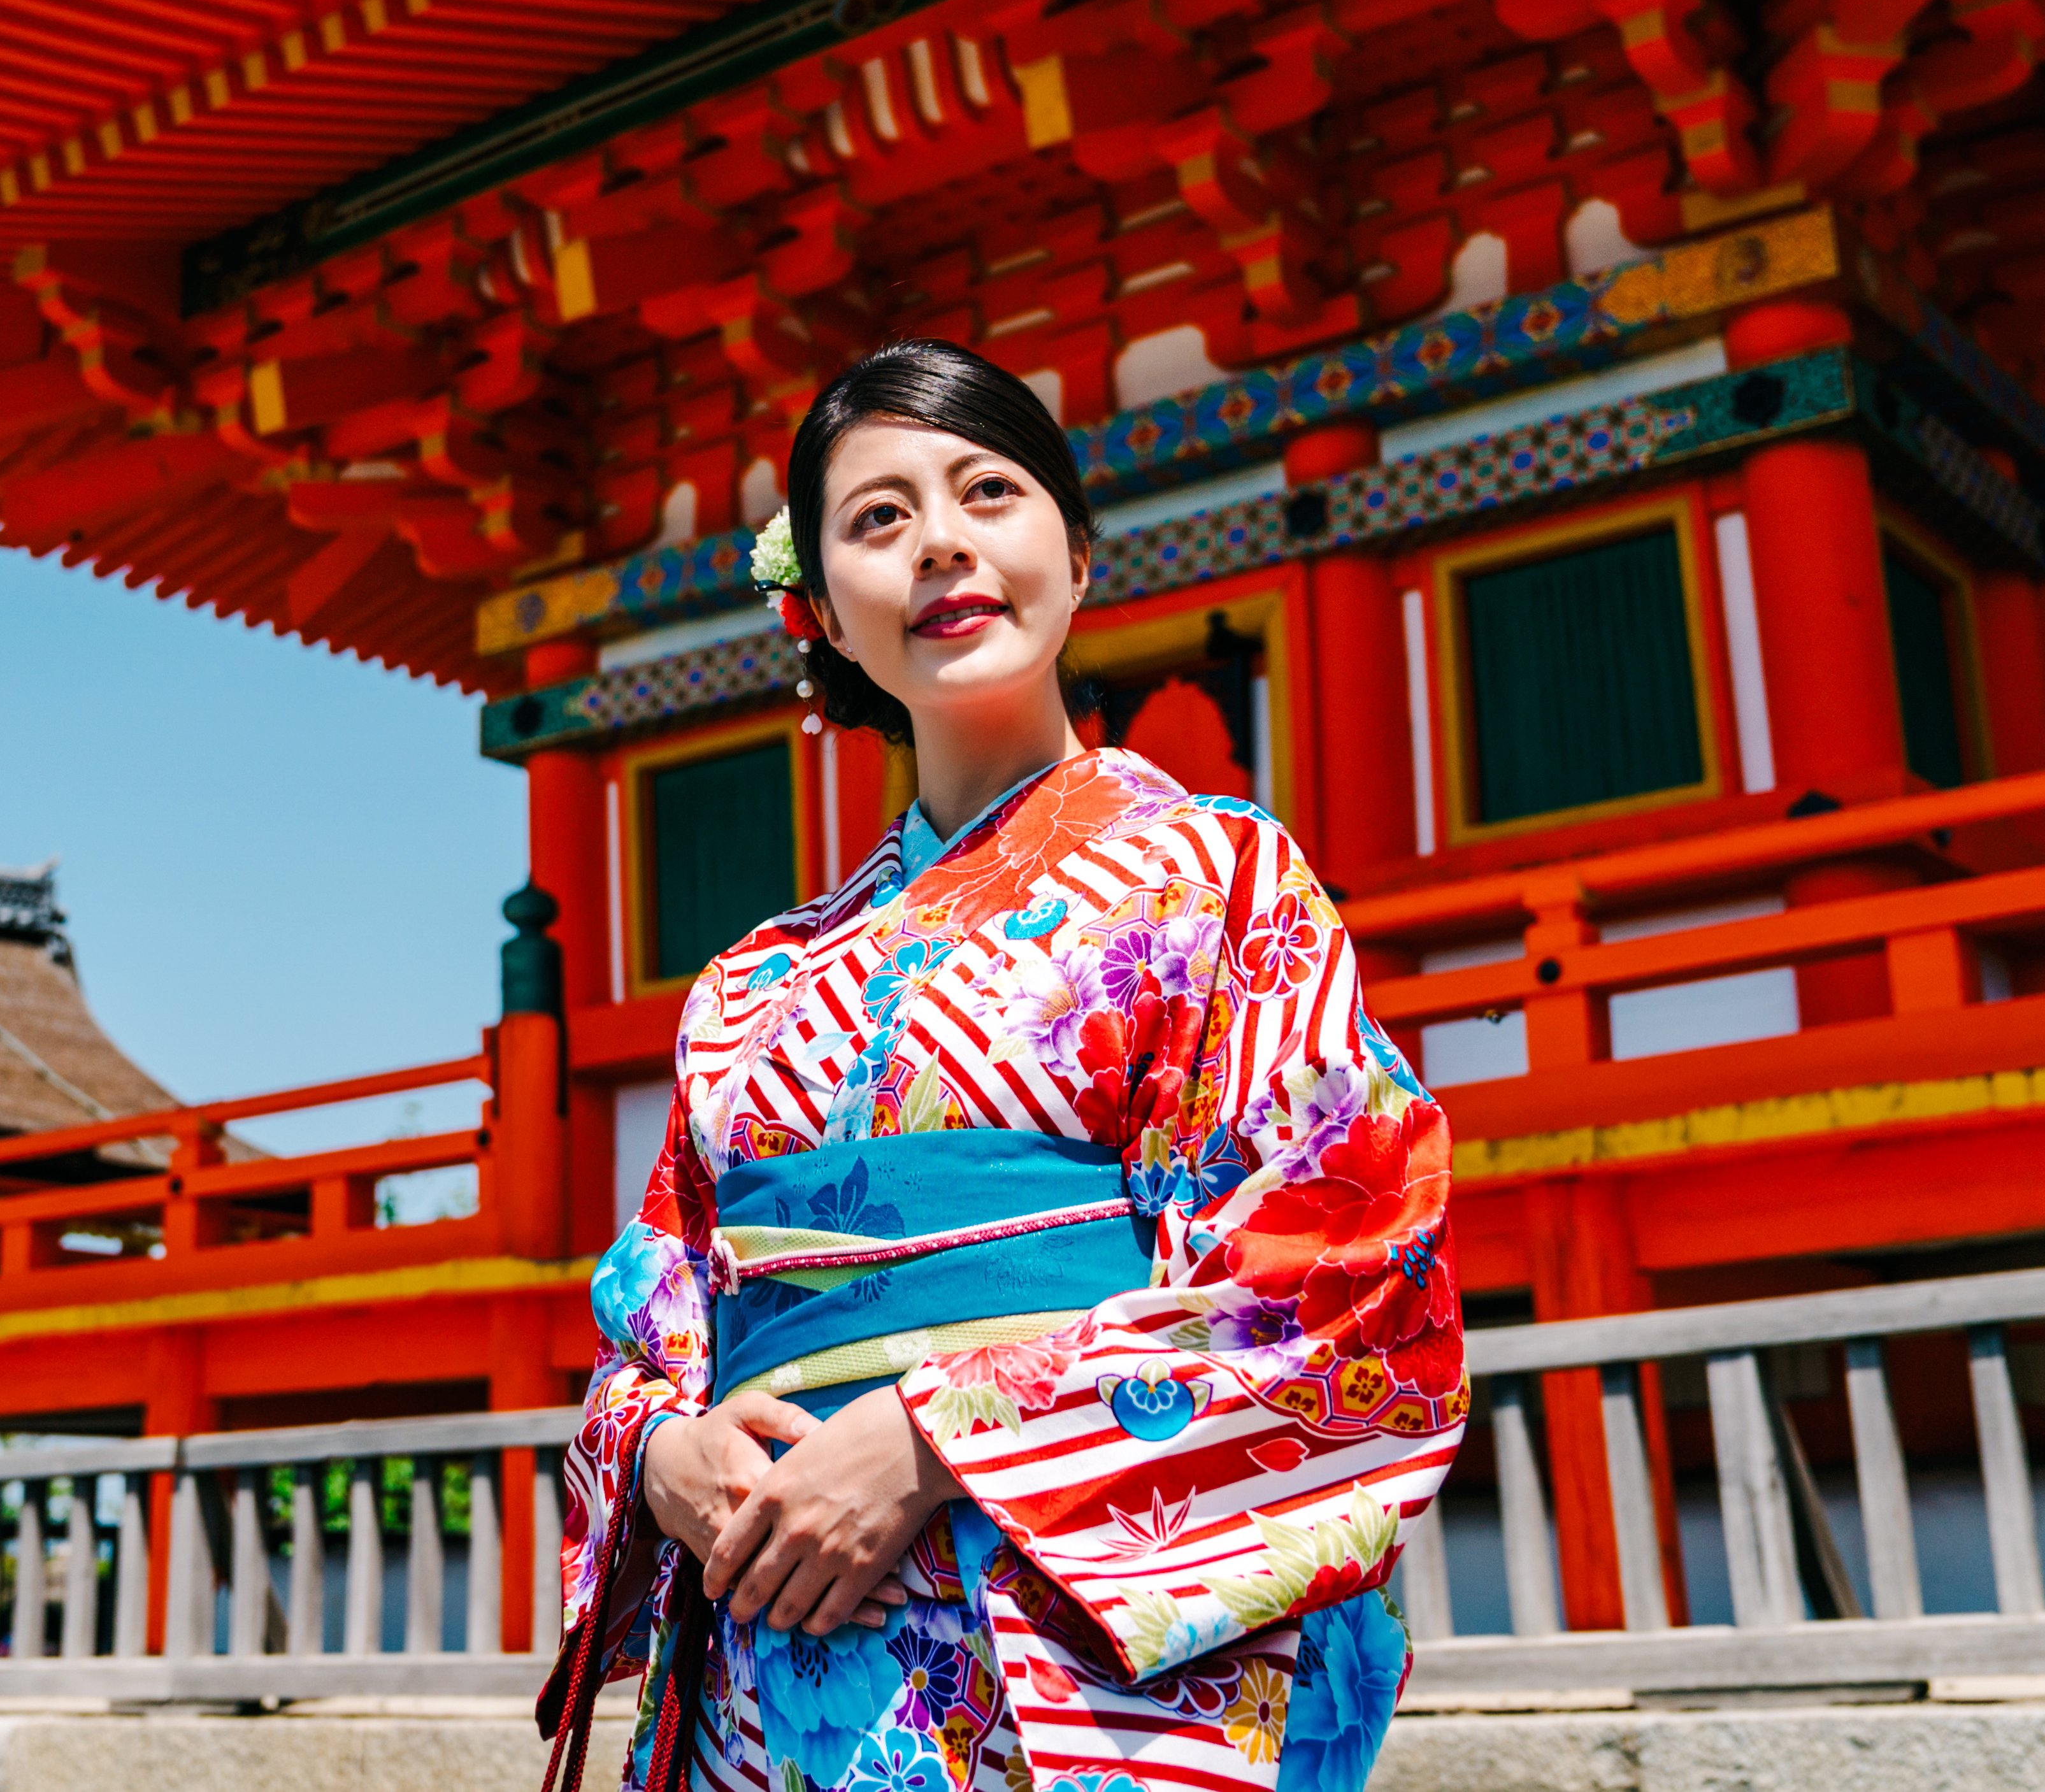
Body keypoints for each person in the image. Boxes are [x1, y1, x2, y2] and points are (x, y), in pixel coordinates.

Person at [541, 340, 1468, 1792]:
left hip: (1062, 1660)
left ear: (1078, 557)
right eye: (879, 517)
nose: (943, 544)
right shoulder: (745, 990)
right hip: (770, 1658)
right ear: (825, 617)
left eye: (987, 490)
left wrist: (938, 1437)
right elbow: (653, 1321)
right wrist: (661, 1455)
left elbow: (1333, 1271)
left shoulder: (1215, 879)